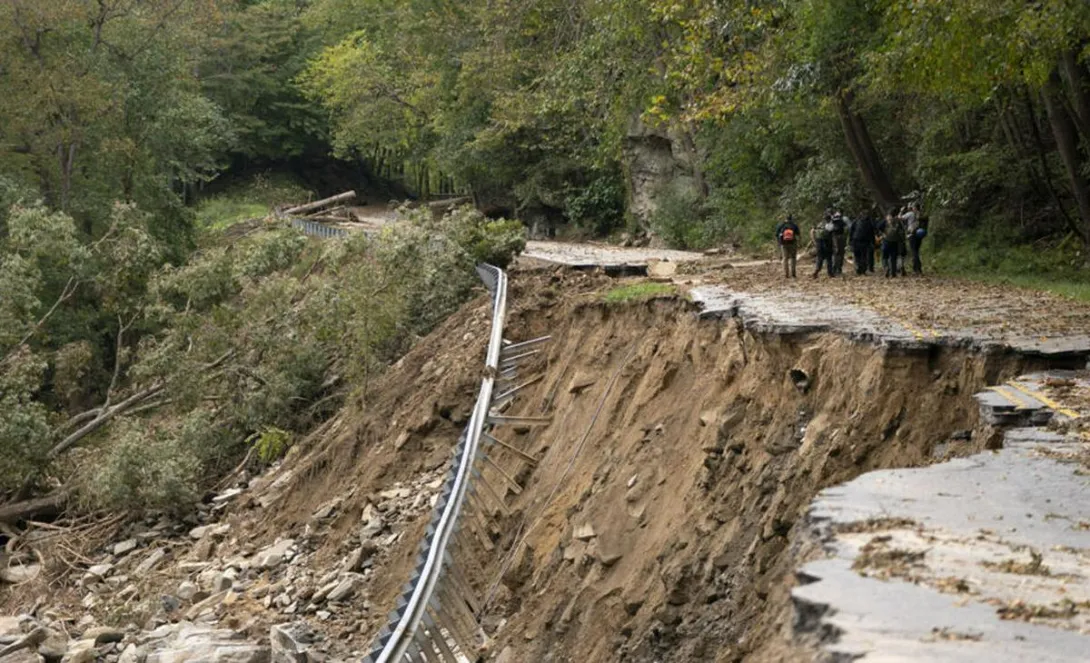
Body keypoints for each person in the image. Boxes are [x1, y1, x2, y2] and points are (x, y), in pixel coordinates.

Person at [848, 211, 876, 275]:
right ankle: (862, 270)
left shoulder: (856, 221)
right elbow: (872, 233)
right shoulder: (869, 222)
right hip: (864, 241)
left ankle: (859, 269)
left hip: (857, 241)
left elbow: (851, 232)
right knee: (863, 256)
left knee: (858, 256)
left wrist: (850, 241)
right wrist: (873, 242)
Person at [882, 211, 906, 278]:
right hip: (895, 242)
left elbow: (877, 227)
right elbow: (902, 233)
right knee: (893, 257)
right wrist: (902, 241)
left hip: (886, 241)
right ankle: (893, 273)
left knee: (885, 257)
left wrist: (882, 234)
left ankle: (886, 268)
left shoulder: (885, 222)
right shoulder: (898, 223)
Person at [904, 203, 927, 275]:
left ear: (915, 208)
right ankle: (915, 268)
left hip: (912, 234)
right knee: (916, 251)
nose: (912, 208)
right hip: (920, 234)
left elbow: (901, 217)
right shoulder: (922, 215)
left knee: (914, 252)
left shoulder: (912, 214)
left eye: (913, 207)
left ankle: (918, 268)